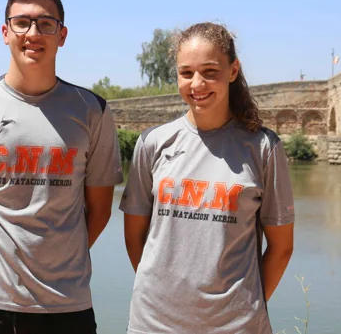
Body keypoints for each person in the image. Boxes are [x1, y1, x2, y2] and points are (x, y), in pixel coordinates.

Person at [0, 0, 124, 334]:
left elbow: (99, 210)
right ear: (6, 32)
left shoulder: (92, 111)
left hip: (66, 304)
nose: (32, 33)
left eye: (45, 23)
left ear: (61, 35)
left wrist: (54, 257)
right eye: (21, 22)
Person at [119, 22, 295, 333]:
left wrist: (244, 309)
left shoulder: (264, 148)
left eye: (210, 71)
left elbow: (281, 248)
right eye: (186, 73)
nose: (197, 83)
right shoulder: (152, 143)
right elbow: (135, 238)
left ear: (233, 70)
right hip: (154, 324)